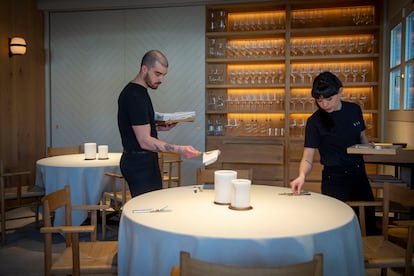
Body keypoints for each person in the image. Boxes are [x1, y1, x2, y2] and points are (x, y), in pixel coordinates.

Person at [290, 71, 377, 235]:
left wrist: (369, 148)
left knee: (367, 225)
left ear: (340, 91)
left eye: (329, 99)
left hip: (359, 174)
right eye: (319, 100)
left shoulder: (354, 110)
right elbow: (307, 158)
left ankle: (363, 259)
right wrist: (301, 176)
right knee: (336, 226)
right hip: (334, 178)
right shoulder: (314, 121)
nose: (324, 104)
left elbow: (362, 138)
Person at [118, 49, 201, 197]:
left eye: (163, 75)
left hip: (142, 161)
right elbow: (144, 141)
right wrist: (180, 150)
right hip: (139, 164)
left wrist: (158, 127)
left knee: (152, 205)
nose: (161, 80)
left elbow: (136, 128)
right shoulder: (134, 95)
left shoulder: (139, 92)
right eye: (157, 74)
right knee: (148, 210)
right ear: (144, 69)